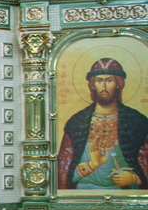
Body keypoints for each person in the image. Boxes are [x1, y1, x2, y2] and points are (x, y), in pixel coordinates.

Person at [58, 58, 148, 190]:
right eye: (99, 81)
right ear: (92, 85)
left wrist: (135, 178)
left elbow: (145, 161)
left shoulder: (137, 122)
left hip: (125, 195)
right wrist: (91, 165)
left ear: (118, 84)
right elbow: (63, 172)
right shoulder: (77, 123)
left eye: (109, 81)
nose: (104, 87)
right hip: (84, 194)